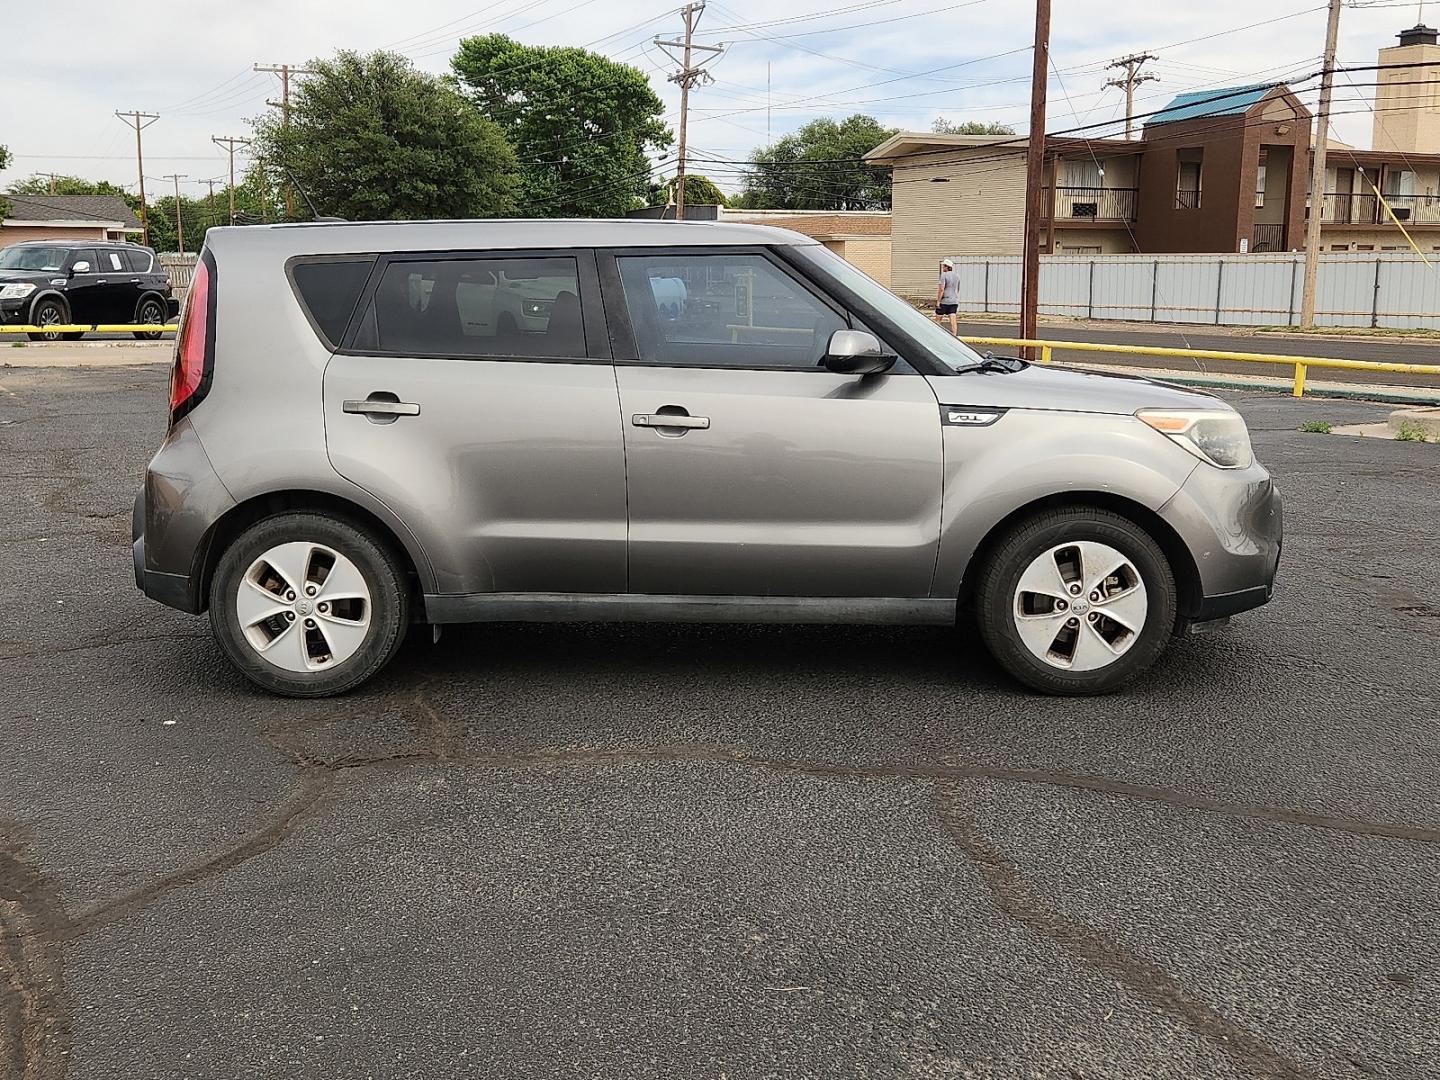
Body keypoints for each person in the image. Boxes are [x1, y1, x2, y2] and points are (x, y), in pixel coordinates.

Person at [935, 258, 961, 335]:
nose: (943, 268)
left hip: (944, 301)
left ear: (947, 267)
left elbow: (941, 289)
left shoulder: (944, 275)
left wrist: (938, 301)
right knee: (953, 319)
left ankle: (936, 334)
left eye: (944, 266)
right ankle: (954, 335)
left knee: (938, 319)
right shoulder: (957, 276)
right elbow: (957, 289)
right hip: (954, 300)